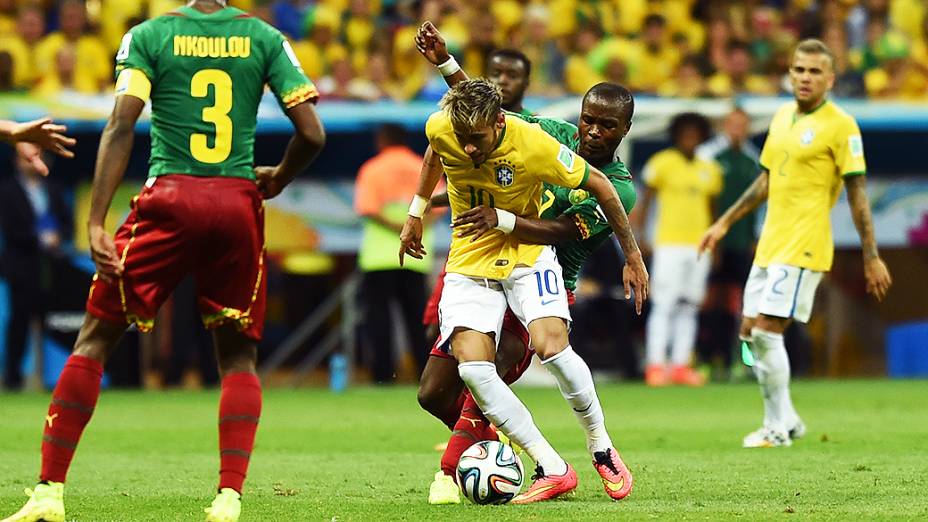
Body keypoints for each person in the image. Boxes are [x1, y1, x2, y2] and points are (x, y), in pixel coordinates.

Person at [1, 2, 325, 522]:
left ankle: (49, 494)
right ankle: (228, 498)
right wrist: (279, 178)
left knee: (95, 339)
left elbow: (121, 124)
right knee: (238, 359)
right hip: (237, 201)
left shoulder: (149, 35)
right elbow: (312, 134)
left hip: (169, 198)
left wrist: (95, 221)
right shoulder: (264, 38)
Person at [413, 21, 641, 505]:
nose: (594, 131)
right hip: (479, 261)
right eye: (589, 120)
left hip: (545, 268)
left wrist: (632, 254)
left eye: (607, 125)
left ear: (625, 130)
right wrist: (446, 64)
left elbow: (561, 230)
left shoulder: (619, 186)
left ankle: (596, 449)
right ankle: (541, 464)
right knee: (440, 388)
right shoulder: (548, 133)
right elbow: (482, 113)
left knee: (543, 349)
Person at [699, 39, 892, 448]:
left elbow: (857, 194)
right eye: (799, 70)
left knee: (768, 331)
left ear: (830, 78)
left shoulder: (841, 126)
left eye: (815, 71)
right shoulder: (783, 116)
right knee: (750, 333)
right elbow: (766, 181)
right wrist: (722, 223)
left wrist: (871, 256)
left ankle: (777, 427)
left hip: (805, 244)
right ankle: (787, 417)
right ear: (789, 74)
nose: (805, 78)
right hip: (770, 243)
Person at [634, 112, 722, 387]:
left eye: (695, 134)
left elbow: (712, 210)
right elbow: (646, 202)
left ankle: (681, 365)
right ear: (676, 136)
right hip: (668, 244)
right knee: (664, 304)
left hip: (698, 246)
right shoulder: (661, 164)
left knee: (690, 305)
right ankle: (656, 364)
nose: (690, 139)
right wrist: (639, 237)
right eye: (685, 134)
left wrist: (714, 243)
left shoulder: (710, 169)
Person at [354, 124, 435, 382]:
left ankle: (382, 377)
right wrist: (413, 227)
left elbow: (367, 209)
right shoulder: (422, 167)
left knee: (379, 321)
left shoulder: (372, 168)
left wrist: (400, 229)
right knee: (417, 321)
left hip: (378, 258)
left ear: (382, 140)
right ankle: (425, 376)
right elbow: (441, 207)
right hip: (416, 257)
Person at [0, 144, 72, 390]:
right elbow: (10, 228)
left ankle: (53, 377)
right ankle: (13, 378)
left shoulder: (54, 190)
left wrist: (57, 238)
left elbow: (66, 222)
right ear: (17, 161)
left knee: (52, 323)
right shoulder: (7, 192)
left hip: (52, 267)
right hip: (22, 266)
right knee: (19, 322)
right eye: (27, 158)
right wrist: (38, 239)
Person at [696, 108, 761, 379]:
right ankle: (705, 357)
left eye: (742, 125)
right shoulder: (707, 156)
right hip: (710, 241)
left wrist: (754, 236)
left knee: (744, 301)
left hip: (741, 240)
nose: (737, 130)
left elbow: (758, 203)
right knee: (708, 301)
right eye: (733, 125)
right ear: (724, 126)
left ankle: (741, 360)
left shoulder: (752, 159)